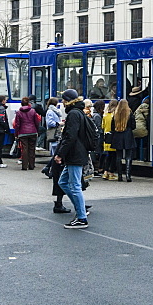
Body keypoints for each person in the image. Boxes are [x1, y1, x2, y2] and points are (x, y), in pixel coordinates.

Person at [55, 90, 95, 229]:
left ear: (67, 100)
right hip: (79, 153)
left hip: (74, 154)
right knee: (63, 182)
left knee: (74, 185)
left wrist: (60, 154)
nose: (62, 102)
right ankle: (81, 209)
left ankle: (81, 217)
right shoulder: (79, 112)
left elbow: (70, 137)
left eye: (63, 100)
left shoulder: (73, 114)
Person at [108, 99, 135, 182]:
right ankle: (128, 175)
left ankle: (120, 175)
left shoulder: (115, 114)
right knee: (128, 156)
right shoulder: (130, 113)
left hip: (117, 136)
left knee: (118, 156)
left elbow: (112, 127)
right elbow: (133, 126)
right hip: (128, 136)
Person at [13, 97, 42, 170]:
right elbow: (36, 122)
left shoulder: (19, 113)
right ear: (28, 103)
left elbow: (17, 125)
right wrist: (37, 131)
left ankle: (24, 166)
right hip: (33, 132)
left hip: (22, 133)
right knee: (32, 149)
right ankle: (31, 165)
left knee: (24, 149)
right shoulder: (33, 111)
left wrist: (16, 134)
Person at [132, 95, 150, 162]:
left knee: (135, 141)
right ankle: (144, 157)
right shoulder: (147, 109)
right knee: (145, 139)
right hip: (142, 129)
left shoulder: (137, 109)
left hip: (134, 129)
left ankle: (134, 156)